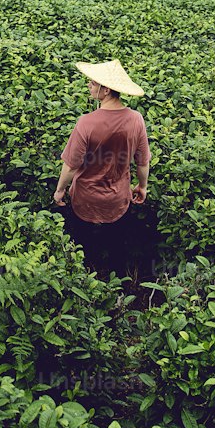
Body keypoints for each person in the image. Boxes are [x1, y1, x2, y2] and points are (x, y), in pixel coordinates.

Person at [53, 59, 152, 283]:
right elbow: (142, 161)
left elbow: (71, 165)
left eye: (92, 82)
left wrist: (60, 190)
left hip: (85, 197)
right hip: (118, 198)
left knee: (84, 246)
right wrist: (142, 187)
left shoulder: (86, 123)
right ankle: (118, 287)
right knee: (118, 246)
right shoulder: (136, 120)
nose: (88, 85)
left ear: (105, 90)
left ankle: (85, 285)